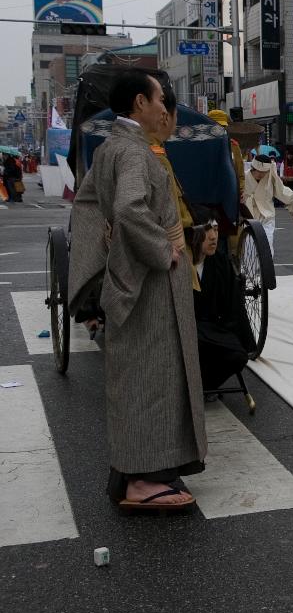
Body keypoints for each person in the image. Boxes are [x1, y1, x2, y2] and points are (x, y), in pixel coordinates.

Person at [67, 69, 205, 511]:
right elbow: (128, 208)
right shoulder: (134, 153)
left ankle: (143, 473)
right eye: (160, 97)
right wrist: (162, 249)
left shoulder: (110, 148)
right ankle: (143, 482)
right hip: (150, 286)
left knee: (141, 376)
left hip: (130, 279)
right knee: (153, 378)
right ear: (139, 104)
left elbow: (89, 207)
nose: (165, 106)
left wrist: (103, 260)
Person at [189, 217, 256, 395]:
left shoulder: (220, 262)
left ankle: (205, 384)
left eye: (217, 230)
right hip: (186, 327)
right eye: (207, 230)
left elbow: (233, 307)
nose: (213, 236)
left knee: (237, 355)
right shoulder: (181, 262)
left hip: (213, 327)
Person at [243, 144, 293, 255]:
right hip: (249, 215)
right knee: (249, 248)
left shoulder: (270, 177)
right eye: (258, 171)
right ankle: (248, 272)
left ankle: (265, 272)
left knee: (267, 246)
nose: (260, 174)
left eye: (263, 172)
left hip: (267, 216)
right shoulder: (244, 177)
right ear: (253, 168)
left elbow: (281, 191)